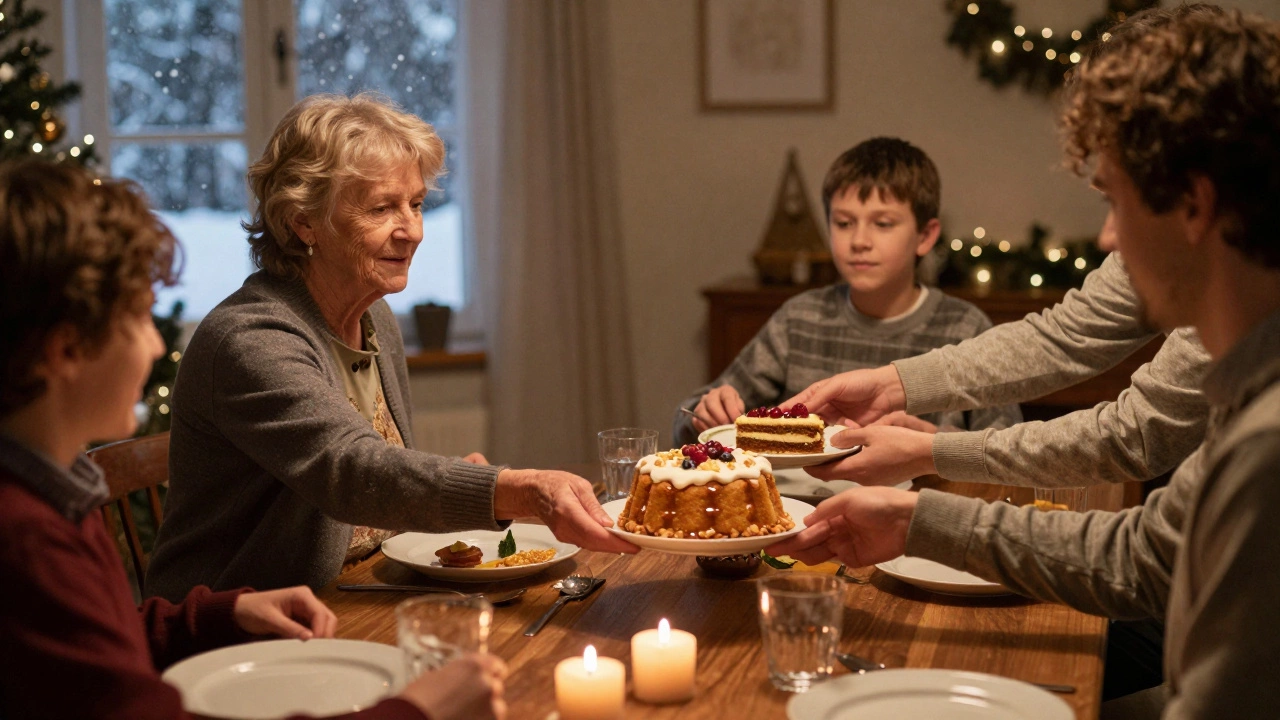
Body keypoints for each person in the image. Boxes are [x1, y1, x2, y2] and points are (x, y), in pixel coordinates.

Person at [769, 7, 1280, 717]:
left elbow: (1135, 444)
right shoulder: (1248, 375)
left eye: (1114, 200)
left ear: (1194, 204)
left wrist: (930, 462)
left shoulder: (1263, 441)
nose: (1106, 236)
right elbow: (1146, 552)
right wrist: (898, 399)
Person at [0, 159, 507, 720]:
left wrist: (219, 615)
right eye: (141, 319)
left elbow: (99, 640)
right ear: (65, 351)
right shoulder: (26, 541)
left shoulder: (51, 492)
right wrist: (417, 712)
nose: (153, 348)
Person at [146, 92, 637, 602]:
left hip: (353, 595)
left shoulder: (374, 314)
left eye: (417, 203)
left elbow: (377, 475)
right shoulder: (250, 339)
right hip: (242, 629)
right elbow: (352, 472)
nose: (413, 231)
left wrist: (455, 482)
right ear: (303, 221)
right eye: (382, 208)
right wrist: (518, 489)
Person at [672, 137, 1020, 446]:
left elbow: (1007, 452)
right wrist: (706, 413)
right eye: (843, 223)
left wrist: (936, 446)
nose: (859, 242)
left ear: (925, 236)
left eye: (882, 224)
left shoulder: (966, 329)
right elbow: (687, 421)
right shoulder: (800, 319)